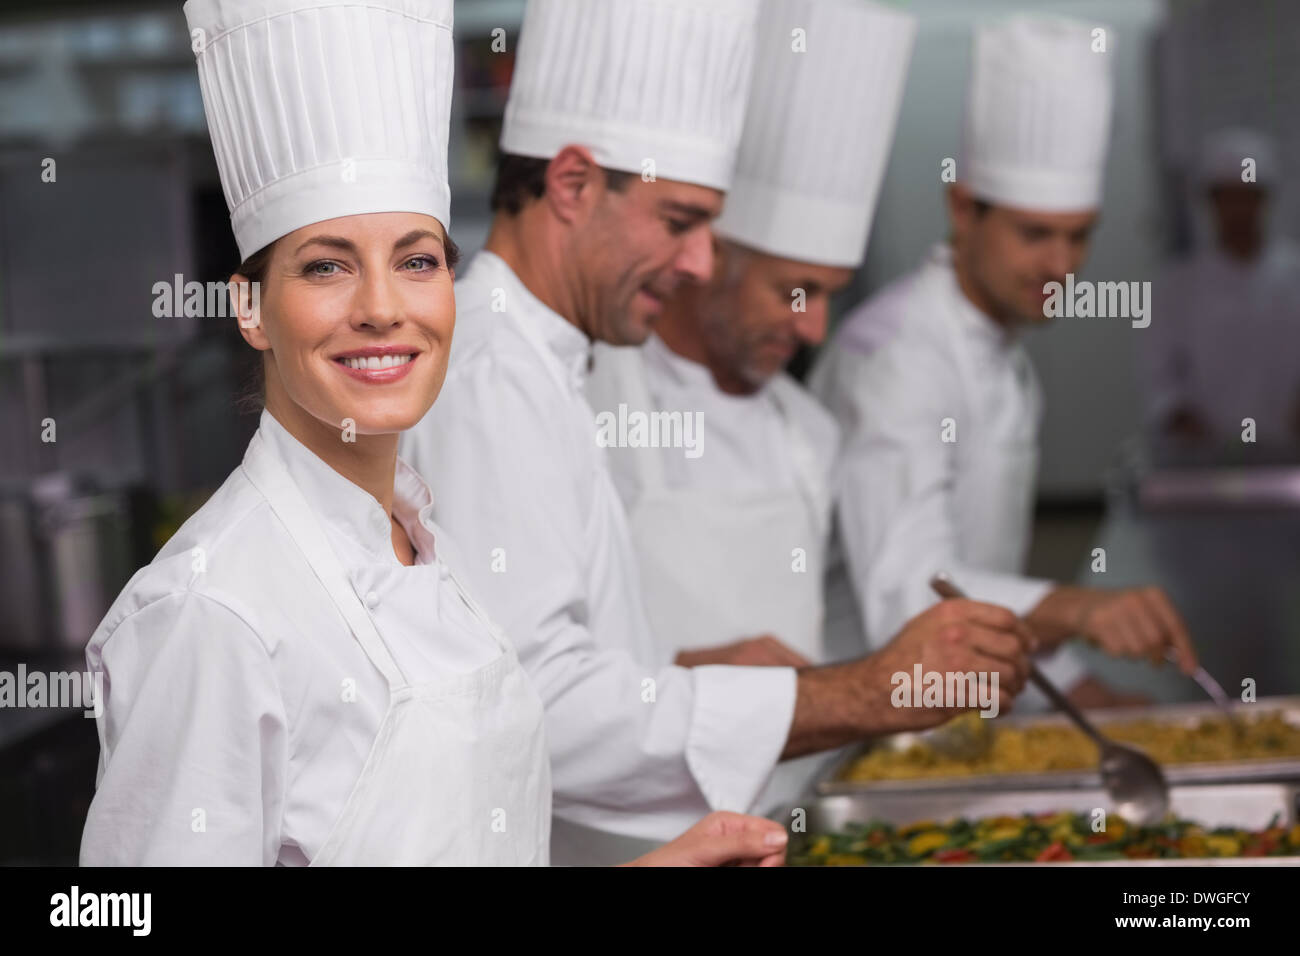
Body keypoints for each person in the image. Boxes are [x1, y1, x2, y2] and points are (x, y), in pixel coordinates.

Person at [80, 0, 785, 868]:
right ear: (251, 308)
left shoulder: (423, 547)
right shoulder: (209, 611)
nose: (383, 309)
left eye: (417, 260)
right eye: (327, 265)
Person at [401, 0, 1035, 864]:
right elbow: (531, 704)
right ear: (573, 184)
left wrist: (697, 667)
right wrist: (861, 693)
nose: (702, 262)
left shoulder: (543, 363)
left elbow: (558, 648)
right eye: (680, 221)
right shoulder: (490, 374)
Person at [810, 15, 1199, 713]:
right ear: (963, 208)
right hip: (873, 734)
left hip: (962, 713)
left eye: (1079, 237)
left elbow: (986, 586)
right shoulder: (896, 356)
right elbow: (911, 594)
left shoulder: (1002, 347)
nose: (1061, 266)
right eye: (1035, 234)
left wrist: (1086, 692)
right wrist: (1077, 606)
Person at [583, 0, 915, 808]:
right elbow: (530, 671)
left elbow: (847, 616)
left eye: (831, 296)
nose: (814, 328)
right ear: (708, 256)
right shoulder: (591, 403)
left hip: (795, 816)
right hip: (640, 838)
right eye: (795, 291)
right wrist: (686, 677)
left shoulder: (808, 432)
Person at [1144, 128, 1300, 459]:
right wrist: (1181, 417)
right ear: (1211, 203)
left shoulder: (1293, 275)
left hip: (1290, 456)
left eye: (1248, 196)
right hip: (1204, 461)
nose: (1239, 210)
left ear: (1264, 200)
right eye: (1228, 197)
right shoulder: (1178, 284)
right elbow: (1159, 372)